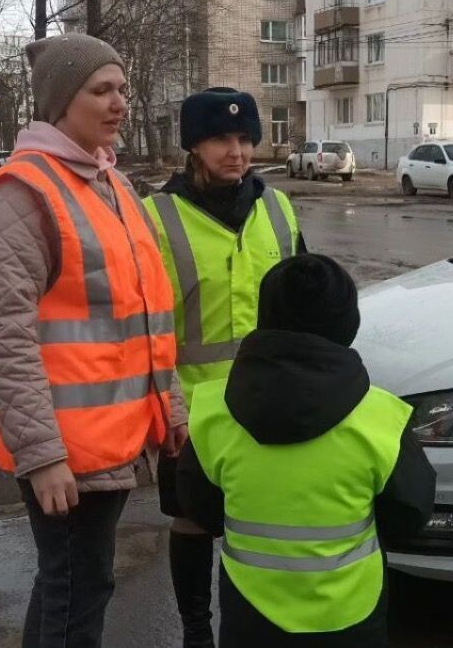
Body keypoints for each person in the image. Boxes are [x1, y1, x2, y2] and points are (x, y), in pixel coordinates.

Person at [0, 34, 188, 647]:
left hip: (112, 437)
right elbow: (4, 338)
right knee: (77, 594)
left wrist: (168, 405)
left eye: (122, 88)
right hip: (66, 450)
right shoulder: (21, 194)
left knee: (68, 588)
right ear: (61, 100)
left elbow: (141, 315)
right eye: (101, 90)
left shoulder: (110, 182)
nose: (119, 103)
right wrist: (42, 457)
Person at [176, 254, 436, 648]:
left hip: (251, 617)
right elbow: (410, 513)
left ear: (265, 317)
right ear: (347, 323)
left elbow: (201, 508)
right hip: (351, 615)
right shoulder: (381, 418)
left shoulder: (213, 414)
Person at [141, 87, 305, 648]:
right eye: (220, 140)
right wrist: (170, 405)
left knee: (260, 523)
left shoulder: (278, 208)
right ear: (193, 146)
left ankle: (251, 627)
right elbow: (147, 326)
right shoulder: (155, 218)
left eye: (244, 139)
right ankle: (195, 631)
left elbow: (301, 308)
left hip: (267, 404)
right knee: (191, 522)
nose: (236, 152)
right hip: (193, 412)